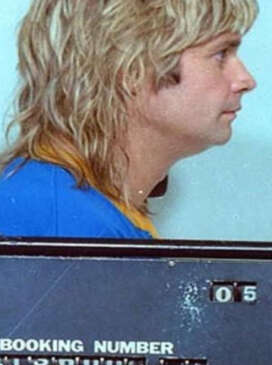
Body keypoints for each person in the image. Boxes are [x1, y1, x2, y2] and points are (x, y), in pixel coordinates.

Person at [0, 0, 257, 238]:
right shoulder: (68, 225)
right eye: (221, 54)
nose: (246, 80)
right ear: (131, 69)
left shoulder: (75, 209)